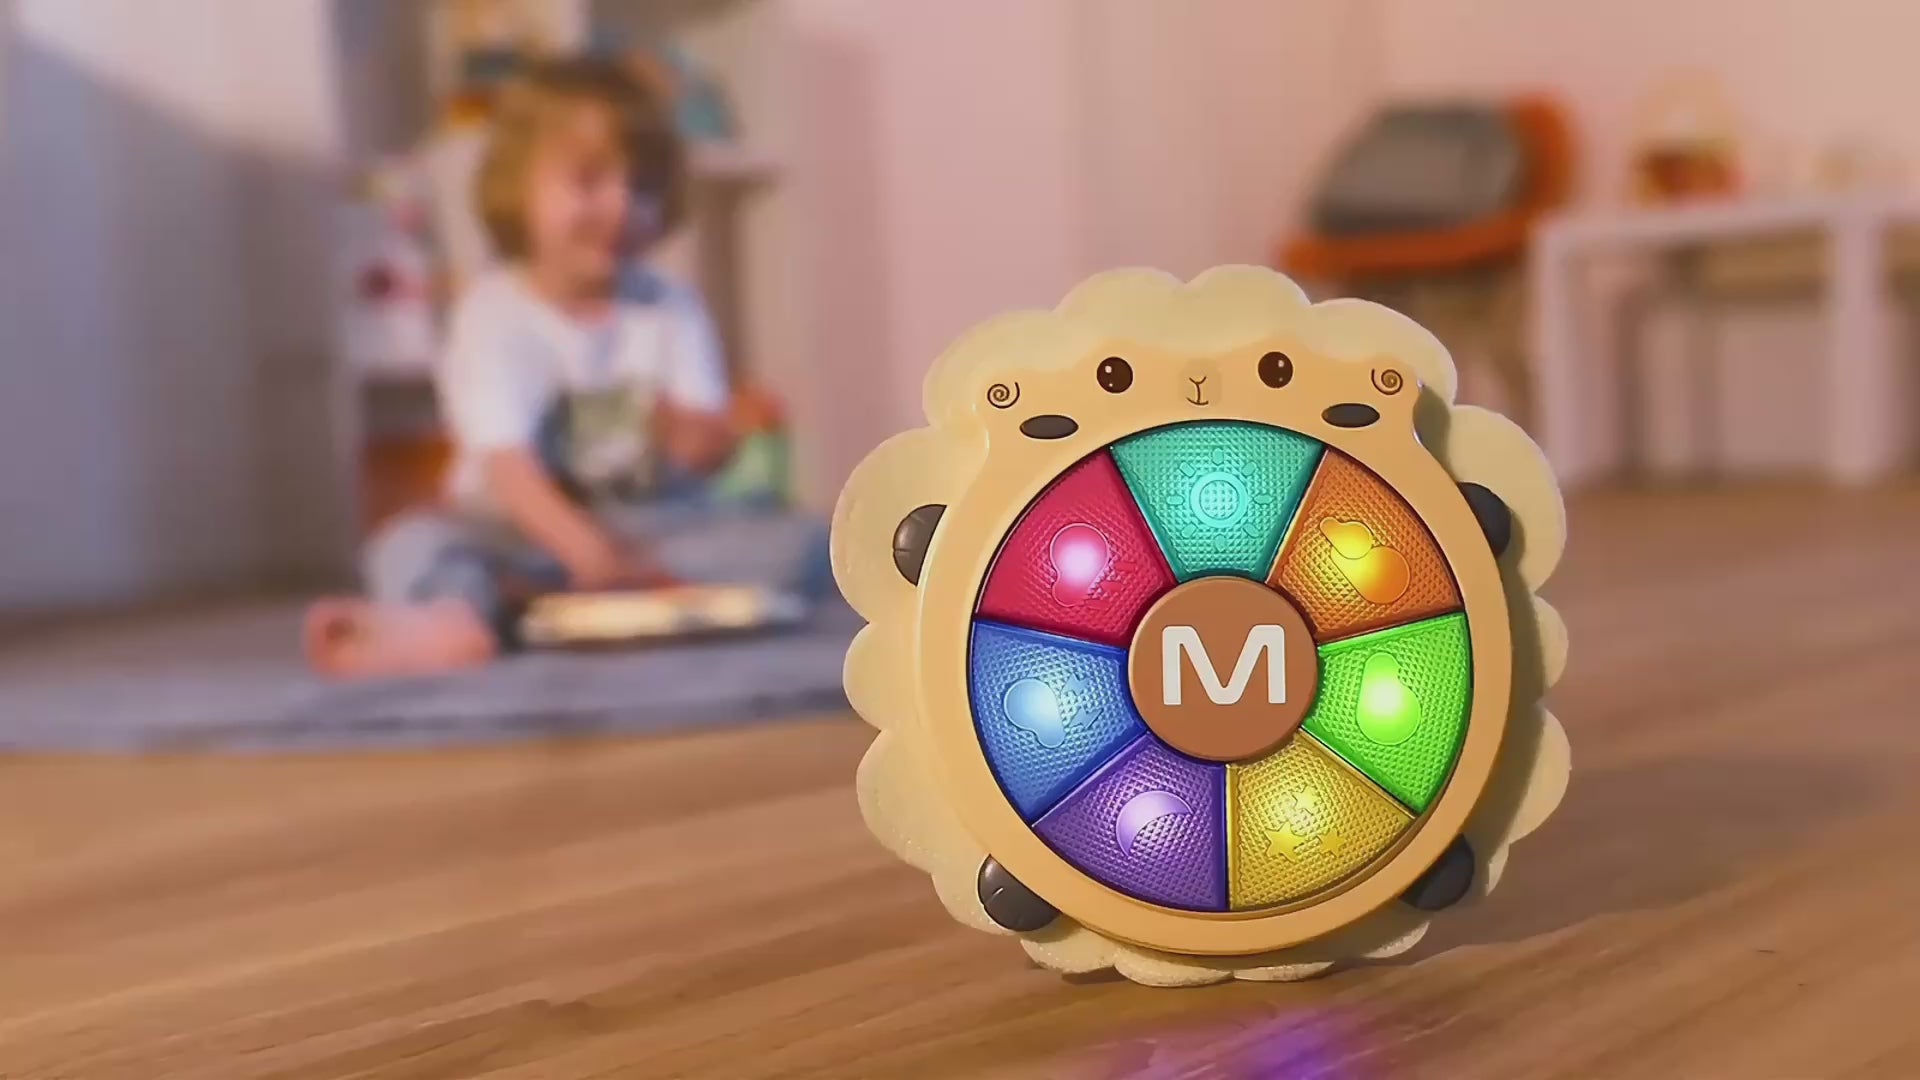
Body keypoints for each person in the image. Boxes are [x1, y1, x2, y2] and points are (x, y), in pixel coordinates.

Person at [305, 57, 825, 679]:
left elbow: (700, 450)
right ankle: (454, 621)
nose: (621, 206)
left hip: (650, 527)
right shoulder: (495, 313)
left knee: (809, 542)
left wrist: (703, 441)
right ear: (516, 188)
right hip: (515, 527)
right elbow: (508, 471)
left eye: (643, 188)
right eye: (589, 182)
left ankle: (540, 608)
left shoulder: (670, 306)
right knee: (409, 544)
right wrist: (585, 550)